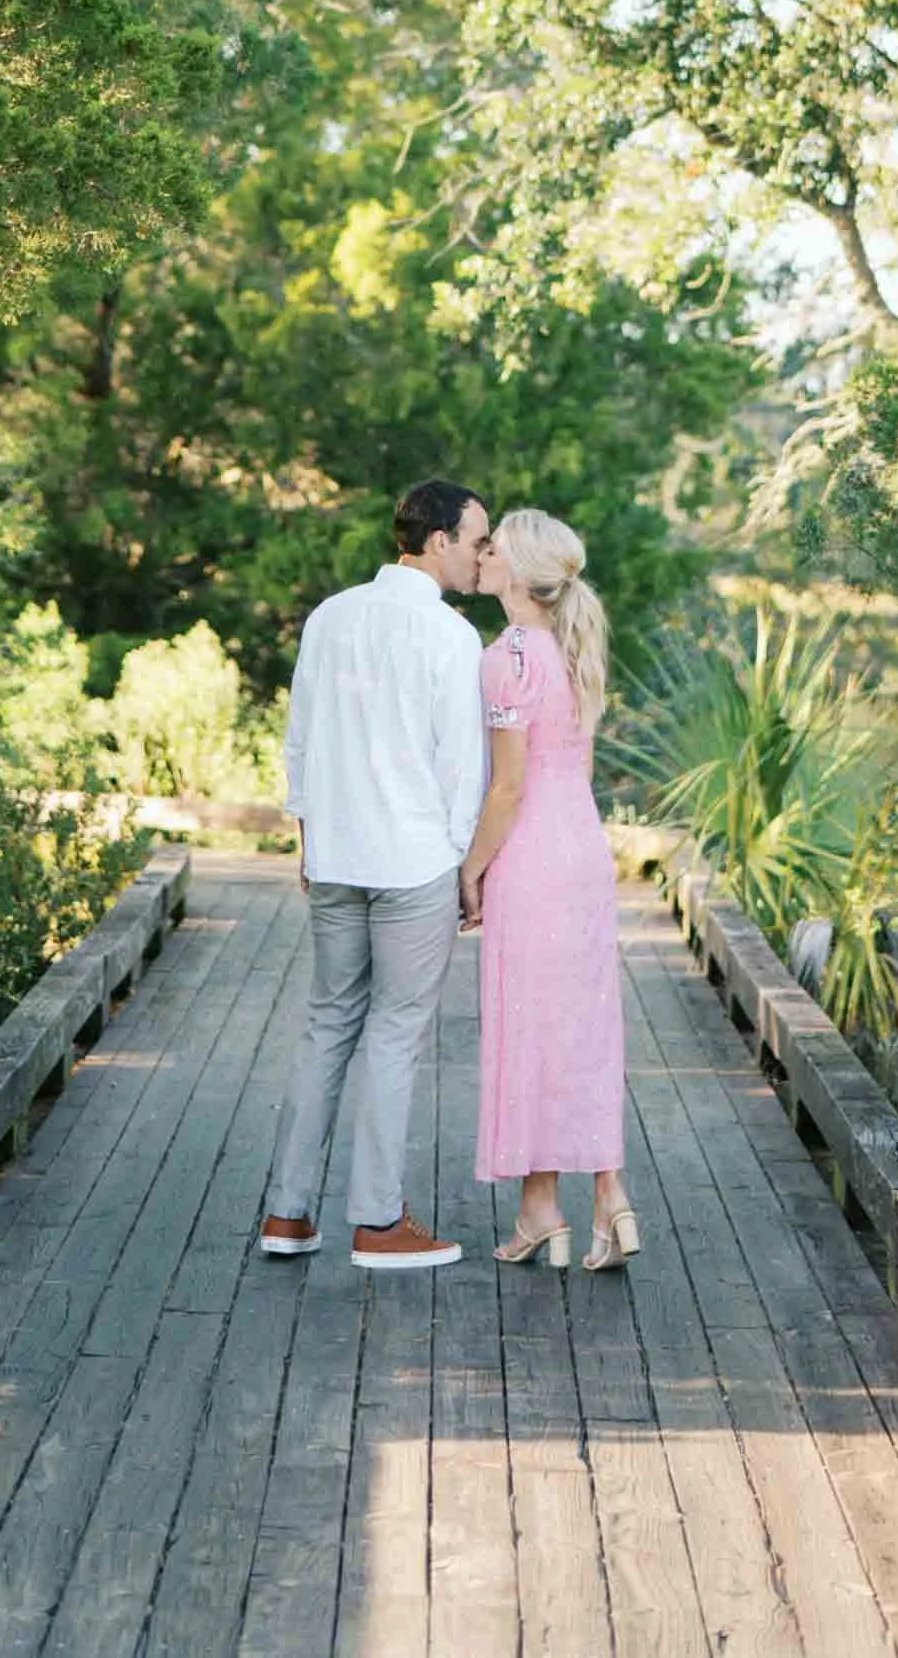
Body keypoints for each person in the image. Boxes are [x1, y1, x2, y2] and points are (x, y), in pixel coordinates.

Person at [259, 478, 489, 1271]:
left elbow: (299, 734)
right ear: (435, 541)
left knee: (327, 1026)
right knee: (393, 1035)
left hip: (336, 856)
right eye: (473, 542)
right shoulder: (451, 637)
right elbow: (463, 764)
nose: (479, 556)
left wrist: (305, 834)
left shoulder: (331, 616)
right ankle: (377, 1220)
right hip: (413, 861)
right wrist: (465, 866)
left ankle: (287, 1215)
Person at [457, 508, 639, 1273]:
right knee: (581, 1028)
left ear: (517, 570)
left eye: (493, 545)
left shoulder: (506, 658)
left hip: (530, 853)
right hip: (582, 847)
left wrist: (470, 869)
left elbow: (506, 789)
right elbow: (578, 770)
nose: (483, 553)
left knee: (527, 1030)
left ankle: (546, 1211)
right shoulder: (573, 650)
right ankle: (598, 1199)